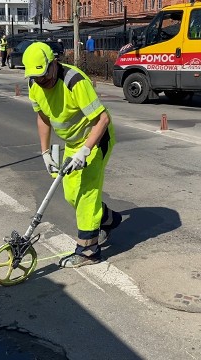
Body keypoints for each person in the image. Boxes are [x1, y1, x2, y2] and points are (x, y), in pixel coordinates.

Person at [23, 42, 122, 268]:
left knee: (87, 193)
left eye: (44, 74)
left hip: (96, 139)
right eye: (36, 77)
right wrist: (45, 152)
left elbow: (102, 120)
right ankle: (109, 219)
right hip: (72, 144)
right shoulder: (34, 84)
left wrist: (86, 151)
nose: (42, 81)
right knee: (71, 194)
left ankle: (88, 251)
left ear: (53, 63)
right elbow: (43, 118)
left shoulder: (74, 82)